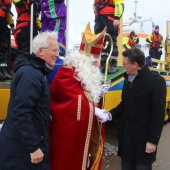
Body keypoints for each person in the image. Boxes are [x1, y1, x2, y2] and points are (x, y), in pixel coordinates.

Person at [49, 23, 112, 170]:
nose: (98, 62)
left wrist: (97, 91)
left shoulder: (84, 72)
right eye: (95, 59)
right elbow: (69, 102)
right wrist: (94, 110)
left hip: (84, 132)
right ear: (84, 60)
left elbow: (83, 93)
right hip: (68, 135)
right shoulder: (68, 72)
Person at [0, 31, 58, 170]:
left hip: (23, 146)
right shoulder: (30, 74)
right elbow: (21, 113)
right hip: (21, 151)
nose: (57, 54)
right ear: (40, 51)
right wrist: (34, 147)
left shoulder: (35, 71)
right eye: (54, 50)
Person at [110, 48, 166, 170]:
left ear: (135, 65)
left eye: (125, 63)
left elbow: (158, 114)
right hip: (127, 139)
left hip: (144, 141)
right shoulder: (127, 80)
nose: (123, 66)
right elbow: (124, 104)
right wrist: (109, 115)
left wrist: (153, 141)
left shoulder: (156, 82)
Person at [94, 0, 124, 73]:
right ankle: (103, 64)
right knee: (100, 41)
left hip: (109, 18)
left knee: (112, 41)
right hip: (99, 19)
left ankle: (114, 64)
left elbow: (119, 4)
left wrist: (116, 18)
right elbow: (95, 5)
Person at [0, 0, 14, 80]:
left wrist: (12, 26)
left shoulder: (7, 2)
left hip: (3, 24)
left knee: (3, 48)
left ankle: (4, 70)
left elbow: (7, 13)